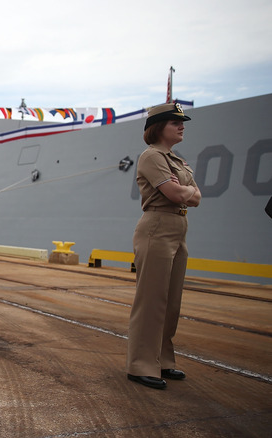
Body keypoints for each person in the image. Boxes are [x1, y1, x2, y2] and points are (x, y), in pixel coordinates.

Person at [126, 103, 200, 390]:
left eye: (182, 122)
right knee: (152, 300)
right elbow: (174, 193)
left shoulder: (177, 162)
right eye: (174, 122)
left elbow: (196, 197)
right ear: (158, 127)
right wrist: (186, 191)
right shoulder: (151, 157)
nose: (181, 126)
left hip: (179, 227)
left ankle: (163, 360)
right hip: (156, 227)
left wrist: (186, 192)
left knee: (171, 302)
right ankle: (141, 364)